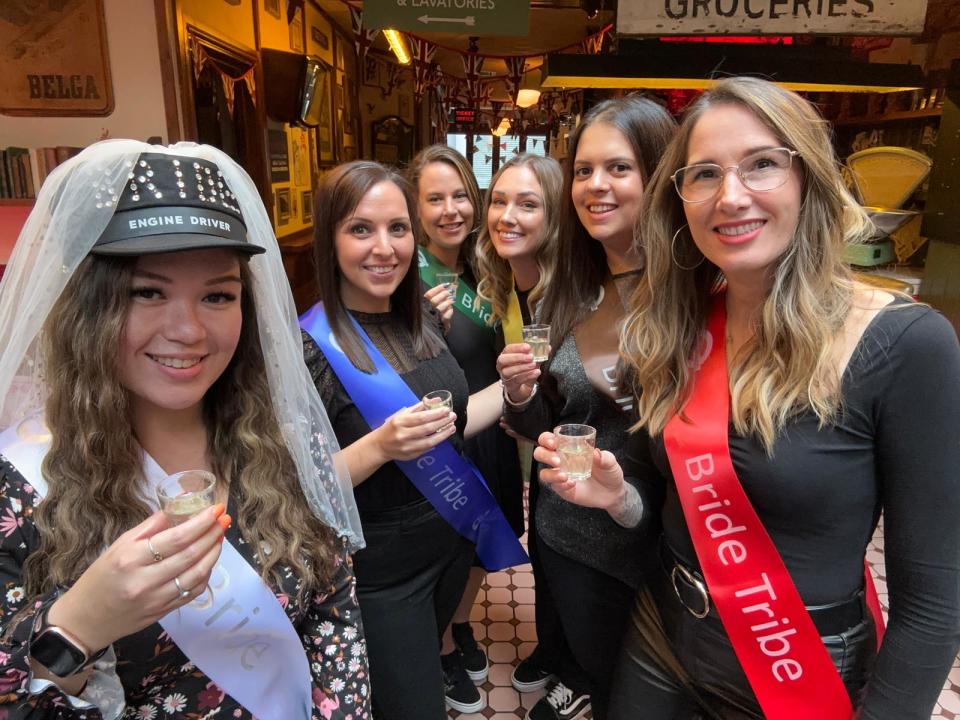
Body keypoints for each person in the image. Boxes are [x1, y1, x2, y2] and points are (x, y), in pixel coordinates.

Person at [535, 76, 960, 720]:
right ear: (680, 201)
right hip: (662, 633)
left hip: (794, 658)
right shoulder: (679, 325)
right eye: (704, 174)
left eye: (762, 164)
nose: (731, 197)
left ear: (809, 179)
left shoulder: (905, 343)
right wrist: (620, 496)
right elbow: (673, 506)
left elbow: (933, 604)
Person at [0, 140, 370, 719]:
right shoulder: (19, 486)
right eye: (147, 292)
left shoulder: (284, 442)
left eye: (218, 295)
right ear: (87, 309)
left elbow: (334, 612)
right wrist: (79, 624)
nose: (189, 330)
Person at [300, 160, 526, 720]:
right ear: (329, 239)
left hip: (448, 548)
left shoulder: (422, 319)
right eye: (360, 229)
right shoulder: (309, 348)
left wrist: (516, 387)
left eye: (397, 229)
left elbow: (451, 422)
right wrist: (379, 446)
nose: (384, 248)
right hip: (380, 573)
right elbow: (295, 486)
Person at [497, 97, 676, 720]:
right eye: (583, 169)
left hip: (660, 557)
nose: (596, 185)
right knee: (599, 681)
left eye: (619, 168)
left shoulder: (694, 297)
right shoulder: (567, 290)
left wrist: (625, 500)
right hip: (568, 538)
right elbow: (544, 420)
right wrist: (520, 394)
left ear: (658, 176)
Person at [407, 145, 530, 714]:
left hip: (494, 430)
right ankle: (439, 646)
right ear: (416, 207)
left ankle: (459, 628)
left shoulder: (492, 267)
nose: (451, 209)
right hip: (444, 439)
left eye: (461, 196)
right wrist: (424, 328)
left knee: (484, 548)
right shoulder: (406, 273)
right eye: (435, 198)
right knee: (446, 550)